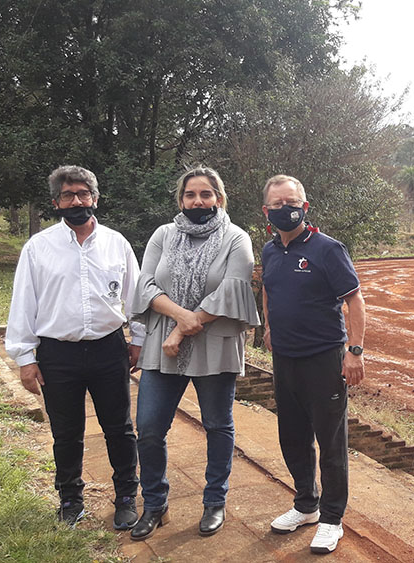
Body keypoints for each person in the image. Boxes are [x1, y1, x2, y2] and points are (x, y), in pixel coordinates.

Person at [5, 165, 142, 529]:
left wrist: (139, 340)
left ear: (95, 199)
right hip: (57, 354)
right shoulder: (38, 248)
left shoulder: (117, 244)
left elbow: (136, 297)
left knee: (120, 428)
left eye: (83, 194)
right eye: (68, 195)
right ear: (56, 202)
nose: (77, 201)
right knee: (66, 432)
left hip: (108, 349)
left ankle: (127, 496)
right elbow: (24, 303)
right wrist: (24, 357)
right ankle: (70, 499)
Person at [128, 166, 260, 541]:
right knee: (150, 428)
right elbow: (146, 283)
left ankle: (215, 502)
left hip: (214, 346)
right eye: (190, 195)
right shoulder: (163, 235)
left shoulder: (236, 238)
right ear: (181, 199)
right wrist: (182, 319)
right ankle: (155, 504)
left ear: (219, 198)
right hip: (161, 345)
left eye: (206, 194)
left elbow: (232, 289)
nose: (197, 201)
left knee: (218, 426)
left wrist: (185, 328)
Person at [260, 174, 366, 554]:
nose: (285, 209)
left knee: (330, 441)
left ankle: (332, 519)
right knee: (292, 436)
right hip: (284, 359)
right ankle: (306, 504)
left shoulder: (327, 249)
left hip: (324, 359)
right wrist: (270, 327)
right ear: (266, 211)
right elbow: (268, 291)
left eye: (292, 203)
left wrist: (354, 351)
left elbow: (354, 301)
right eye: (277, 204)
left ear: (305, 207)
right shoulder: (270, 251)